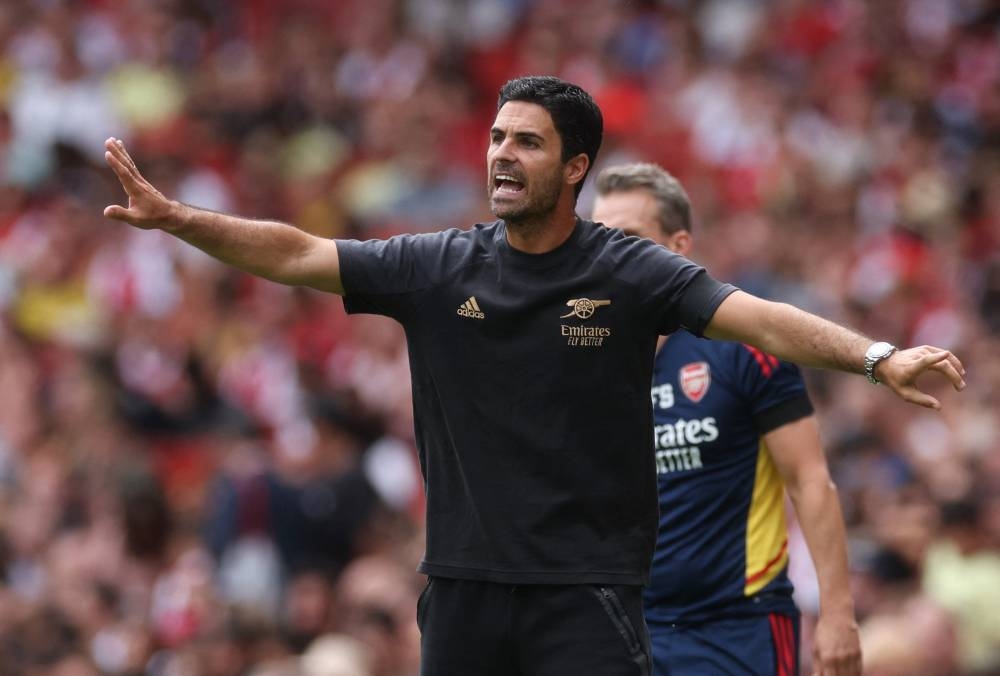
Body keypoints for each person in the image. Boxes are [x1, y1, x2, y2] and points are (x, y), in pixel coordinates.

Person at [102, 75, 964, 676]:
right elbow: (297, 252)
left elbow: (759, 317)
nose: (502, 155)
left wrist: (878, 356)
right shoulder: (438, 264)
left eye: (527, 142)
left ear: (575, 167)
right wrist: (180, 219)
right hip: (463, 590)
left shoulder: (628, 270)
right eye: (496, 137)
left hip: (586, 595)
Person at [592, 163, 863, 676]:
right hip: (627, 627)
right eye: (601, 238)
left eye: (629, 238)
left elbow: (808, 480)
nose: (611, 254)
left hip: (738, 626)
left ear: (677, 247)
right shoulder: (583, 358)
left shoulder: (742, 347)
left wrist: (837, 614)